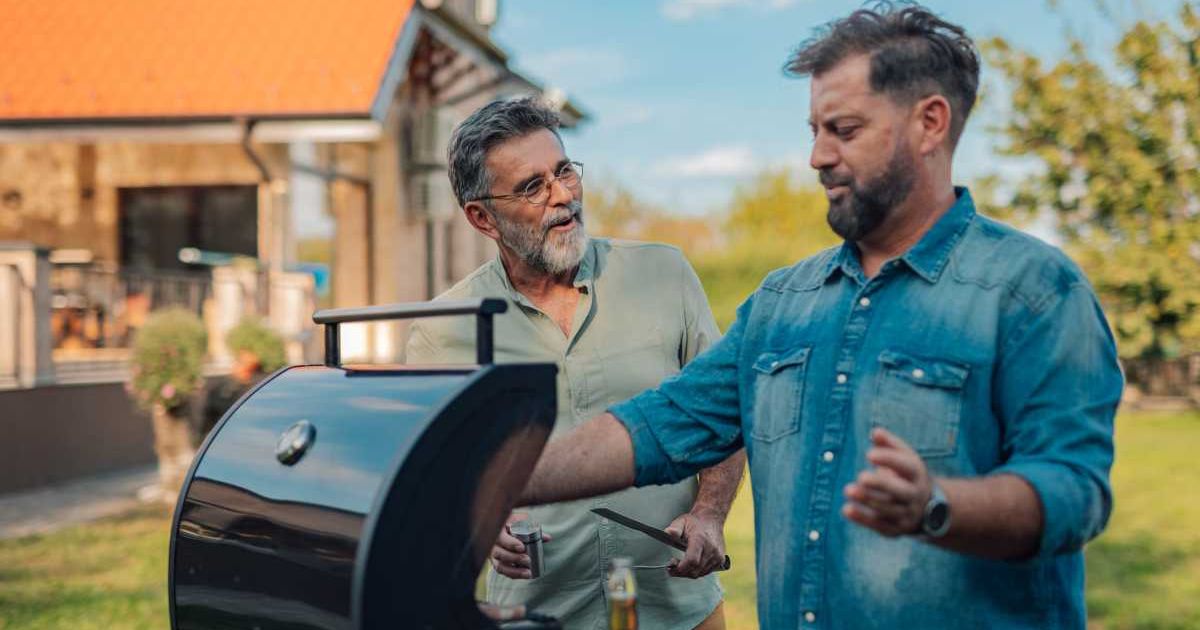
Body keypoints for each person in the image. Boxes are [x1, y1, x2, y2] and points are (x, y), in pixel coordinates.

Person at [514, 4, 1124, 628]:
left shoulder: (1033, 291)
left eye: (844, 130)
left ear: (930, 124)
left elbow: (1073, 491)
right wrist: (498, 479)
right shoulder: (783, 303)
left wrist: (939, 505)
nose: (817, 156)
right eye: (814, 130)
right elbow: (658, 426)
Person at [405, 97, 746, 629]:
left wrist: (709, 513)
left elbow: (724, 411)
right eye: (532, 187)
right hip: (540, 615)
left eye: (564, 171)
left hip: (680, 609)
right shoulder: (443, 330)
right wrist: (479, 523)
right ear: (482, 217)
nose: (562, 195)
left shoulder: (663, 275)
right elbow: (437, 474)